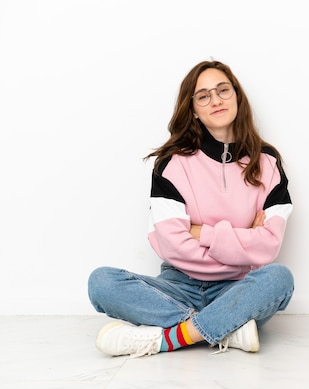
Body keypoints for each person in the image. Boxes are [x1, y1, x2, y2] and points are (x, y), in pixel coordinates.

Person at [88, 60, 294, 358]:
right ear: (193, 109)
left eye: (223, 90)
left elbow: (269, 246)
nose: (216, 100)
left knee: (278, 279)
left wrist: (201, 233)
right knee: (102, 282)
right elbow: (173, 246)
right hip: (177, 285)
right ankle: (227, 327)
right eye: (203, 95)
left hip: (236, 288)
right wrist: (242, 239)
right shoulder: (171, 163)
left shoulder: (268, 161)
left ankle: (166, 338)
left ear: (237, 96)